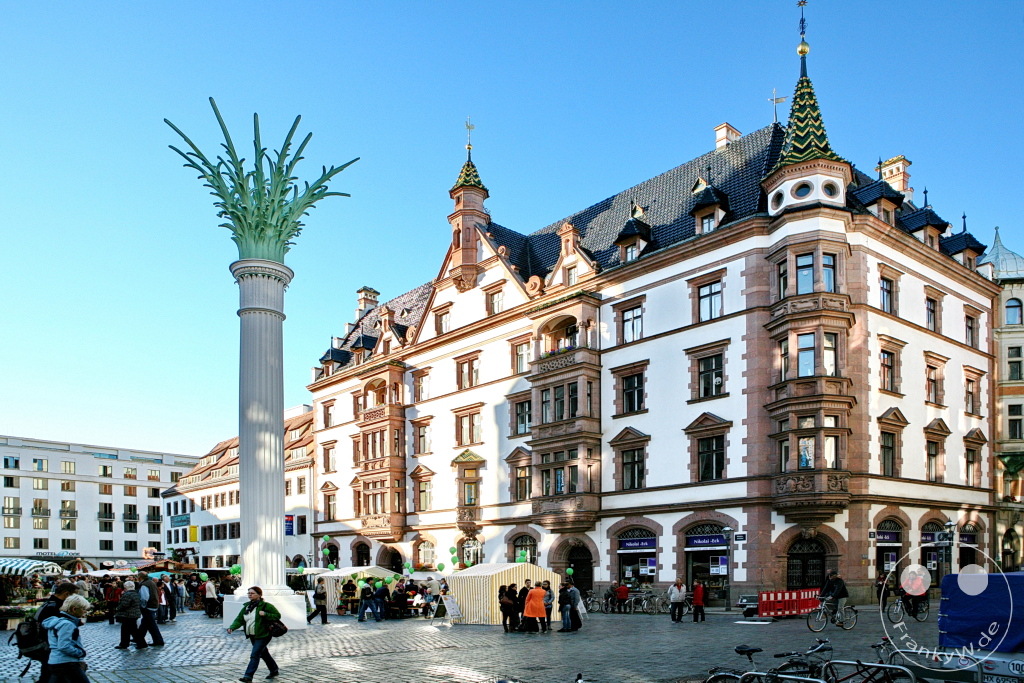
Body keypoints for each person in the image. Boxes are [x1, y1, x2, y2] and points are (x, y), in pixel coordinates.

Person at [227, 586, 281, 682]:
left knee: (255, 654)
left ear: (259, 595)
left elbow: (277, 615)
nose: (250, 595)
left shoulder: (266, 606)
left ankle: (248, 676)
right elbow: (240, 619)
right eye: (249, 593)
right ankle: (274, 669)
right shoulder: (247, 607)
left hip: (263, 634)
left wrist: (265, 614)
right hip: (252, 635)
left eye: (252, 593)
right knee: (264, 653)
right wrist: (232, 627)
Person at [42, 593, 92, 683]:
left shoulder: (57, 620)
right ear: (74, 609)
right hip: (66, 663)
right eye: (84, 609)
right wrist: (80, 653)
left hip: (56, 661)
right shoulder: (67, 624)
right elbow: (64, 646)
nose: (85, 612)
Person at [36, 582, 78, 683]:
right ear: (67, 594)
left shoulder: (49, 603)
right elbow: (56, 627)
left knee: (50, 674)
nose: (76, 598)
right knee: (49, 674)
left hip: (47, 644)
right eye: (75, 595)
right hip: (49, 645)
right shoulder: (56, 606)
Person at [136, 571, 164, 647]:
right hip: (153, 605)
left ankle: (158, 640)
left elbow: (145, 597)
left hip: (148, 607)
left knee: (151, 624)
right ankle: (139, 639)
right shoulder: (151, 582)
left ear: (140, 577)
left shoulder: (144, 584)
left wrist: (143, 606)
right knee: (145, 624)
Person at [113, 581, 143, 650]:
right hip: (134, 614)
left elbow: (125, 604)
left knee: (128, 630)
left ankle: (127, 644)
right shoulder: (135, 593)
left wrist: (118, 608)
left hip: (128, 614)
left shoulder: (128, 594)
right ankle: (139, 643)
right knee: (132, 629)